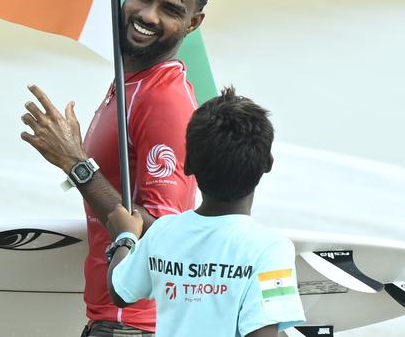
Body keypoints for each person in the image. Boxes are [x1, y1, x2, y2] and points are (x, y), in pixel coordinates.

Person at [19, 0, 220, 337]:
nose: (148, 15)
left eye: (170, 9)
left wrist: (76, 164)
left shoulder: (164, 100)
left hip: (134, 326)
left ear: (193, 23)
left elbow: (164, 234)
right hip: (114, 322)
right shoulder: (131, 84)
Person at [104, 87, 306, 337]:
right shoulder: (271, 249)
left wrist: (125, 237)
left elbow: (120, 292)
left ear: (188, 165)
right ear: (268, 163)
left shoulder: (163, 232)